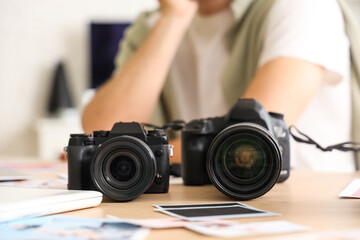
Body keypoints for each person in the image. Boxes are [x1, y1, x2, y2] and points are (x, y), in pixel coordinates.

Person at [82, 0, 360, 172]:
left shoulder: (304, 6)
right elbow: (104, 128)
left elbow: (251, 142)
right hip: (205, 202)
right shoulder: (153, 23)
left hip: (301, 206)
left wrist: (129, 157)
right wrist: (174, 17)